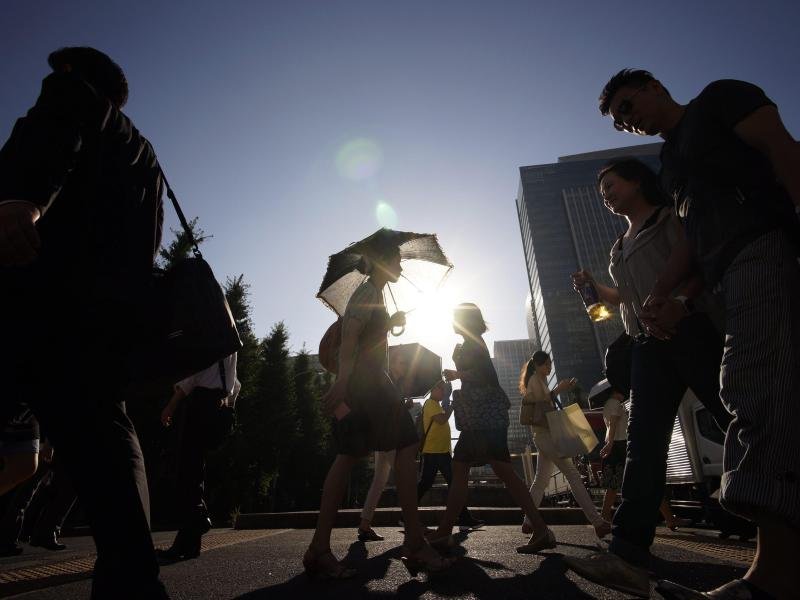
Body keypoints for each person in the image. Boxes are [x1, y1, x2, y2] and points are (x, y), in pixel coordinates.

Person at [0, 47, 169, 599]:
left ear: (76, 75)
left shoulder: (72, 98)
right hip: (102, 329)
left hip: (34, 300)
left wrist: (22, 200)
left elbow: (50, 137)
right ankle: (133, 584)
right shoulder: (144, 154)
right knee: (111, 444)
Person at [563, 157, 732, 598]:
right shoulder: (618, 247)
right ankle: (626, 553)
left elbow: (698, 264)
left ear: (638, 181)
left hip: (690, 329)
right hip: (647, 344)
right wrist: (599, 291)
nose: (606, 195)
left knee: (734, 416)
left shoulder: (668, 219)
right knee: (644, 442)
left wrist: (681, 301)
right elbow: (627, 297)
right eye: (602, 192)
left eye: (612, 185)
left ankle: (775, 502)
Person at [306, 241, 454, 578]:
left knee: (348, 455)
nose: (401, 266)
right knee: (404, 445)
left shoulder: (374, 292)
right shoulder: (366, 291)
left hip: (369, 382)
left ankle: (318, 548)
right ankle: (414, 543)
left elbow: (367, 336)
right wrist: (343, 383)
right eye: (397, 259)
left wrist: (389, 324)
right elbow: (349, 341)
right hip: (370, 383)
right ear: (382, 262)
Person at [430, 303, 554, 555]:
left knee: (474, 469)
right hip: (485, 419)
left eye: (455, 316)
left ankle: (444, 533)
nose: (451, 321)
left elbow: (484, 375)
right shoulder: (470, 342)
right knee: (492, 470)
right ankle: (540, 529)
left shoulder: (474, 342)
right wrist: (459, 366)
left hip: (483, 418)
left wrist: (458, 372)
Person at [157, 353, 240, 562]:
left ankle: (198, 521)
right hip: (218, 404)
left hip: (199, 404)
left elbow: (194, 376)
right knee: (195, 470)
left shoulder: (208, 330)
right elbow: (235, 383)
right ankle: (191, 542)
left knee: (187, 471)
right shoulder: (231, 341)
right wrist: (229, 407)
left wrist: (171, 405)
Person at [520, 351, 611, 539]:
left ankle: (528, 521)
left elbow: (541, 405)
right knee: (572, 475)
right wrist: (557, 391)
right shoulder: (536, 379)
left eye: (550, 364)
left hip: (543, 436)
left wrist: (556, 391)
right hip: (546, 436)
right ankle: (598, 522)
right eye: (546, 364)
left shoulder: (537, 379)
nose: (549, 367)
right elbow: (539, 405)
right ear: (537, 365)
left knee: (540, 481)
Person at [417, 380, 483, 530]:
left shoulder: (437, 405)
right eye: (441, 389)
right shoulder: (429, 404)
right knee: (427, 484)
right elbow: (441, 420)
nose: (443, 392)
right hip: (433, 451)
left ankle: (464, 517)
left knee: (453, 483)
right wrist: (452, 407)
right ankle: (406, 517)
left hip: (441, 451)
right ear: (433, 389)